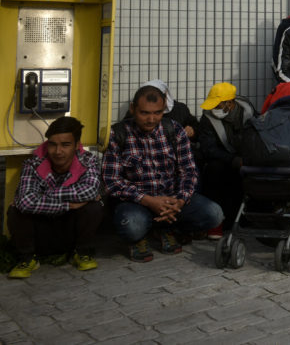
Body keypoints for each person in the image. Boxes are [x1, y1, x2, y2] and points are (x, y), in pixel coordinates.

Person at [103, 84, 224, 262]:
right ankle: (141, 237)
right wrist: (149, 201)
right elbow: (111, 181)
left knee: (214, 214)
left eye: (157, 113)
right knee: (132, 226)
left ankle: (166, 229)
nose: (151, 119)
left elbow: (189, 172)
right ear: (132, 109)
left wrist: (180, 200)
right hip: (137, 202)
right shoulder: (118, 134)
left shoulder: (174, 130)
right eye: (144, 113)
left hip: (171, 199)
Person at [6, 117, 103, 278]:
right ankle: (28, 258)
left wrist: (42, 196)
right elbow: (25, 202)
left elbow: (90, 192)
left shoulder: (88, 161)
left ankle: (81, 253)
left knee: (94, 207)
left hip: (70, 231)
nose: (58, 151)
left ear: (76, 145)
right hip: (42, 231)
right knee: (16, 210)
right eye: (52, 144)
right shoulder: (33, 164)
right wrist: (68, 205)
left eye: (65, 145)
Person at [197, 82, 255, 236]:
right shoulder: (207, 119)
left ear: (230, 103)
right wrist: (233, 160)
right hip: (222, 160)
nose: (214, 109)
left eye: (218, 105)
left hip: (246, 157)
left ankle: (244, 218)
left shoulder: (249, 113)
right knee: (214, 170)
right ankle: (215, 224)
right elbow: (208, 149)